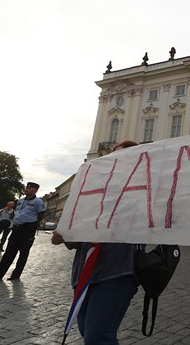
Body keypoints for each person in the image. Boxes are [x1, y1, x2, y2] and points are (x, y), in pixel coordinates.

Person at [51, 140, 139, 345]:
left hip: (118, 271)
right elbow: (77, 235)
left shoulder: (140, 194)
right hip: (85, 271)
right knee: (86, 330)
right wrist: (64, 237)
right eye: (112, 157)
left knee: (97, 337)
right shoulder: (92, 192)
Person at [0, 182, 45, 281]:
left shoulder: (38, 202)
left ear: (35, 190)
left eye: (29, 188)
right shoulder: (20, 201)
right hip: (16, 228)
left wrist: (31, 222)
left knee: (23, 253)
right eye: (26, 187)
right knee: (9, 252)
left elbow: (41, 215)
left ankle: (16, 275)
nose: (27, 189)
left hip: (28, 229)